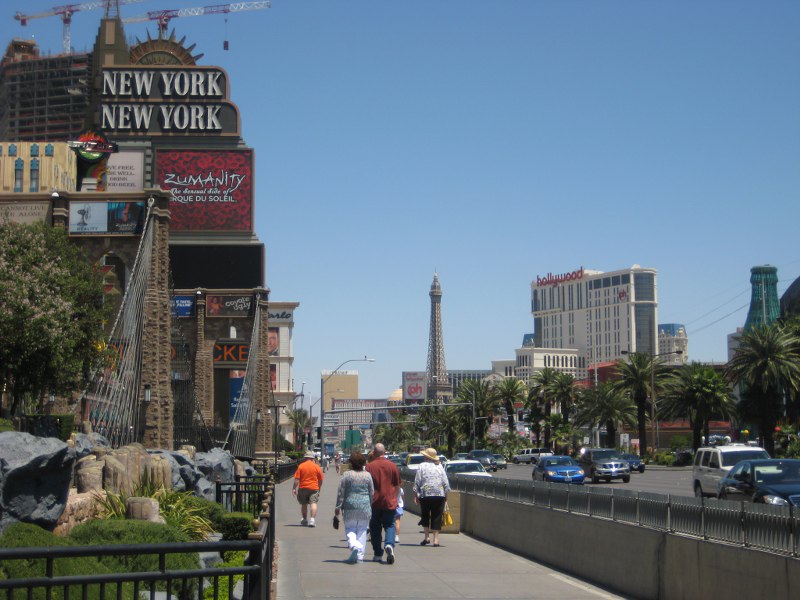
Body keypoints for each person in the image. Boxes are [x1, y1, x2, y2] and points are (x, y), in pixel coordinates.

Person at [334, 451, 375, 564]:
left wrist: (338, 507)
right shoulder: (367, 475)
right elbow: (372, 492)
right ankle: (360, 556)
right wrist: (371, 505)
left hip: (349, 506)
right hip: (365, 507)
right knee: (362, 530)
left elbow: (341, 493)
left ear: (351, 463)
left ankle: (354, 545)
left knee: (350, 529)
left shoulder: (347, 475)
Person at [365, 443, 401, 564]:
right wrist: (395, 499)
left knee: (375, 527)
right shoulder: (392, 466)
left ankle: (377, 553)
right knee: (390, 525)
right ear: (384, 452)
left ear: (374, 453)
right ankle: (389, 544)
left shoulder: (369, 467)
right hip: (389, 502)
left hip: (374, 502)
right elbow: (397, 485)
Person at [413, 447, 450, 547]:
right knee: (437, 516)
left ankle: (426, 537)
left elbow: (417, 481)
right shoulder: (439, 466)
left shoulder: (421, 466)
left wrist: (416, 494)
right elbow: (445, 481)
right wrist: (446, 495)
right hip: (439, 495)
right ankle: (436, 540)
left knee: (425, 515)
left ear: (426, 456)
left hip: (425, 495)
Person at [292, 450, 324, 527]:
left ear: (305, 458)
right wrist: (319, 487)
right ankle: (312, 520)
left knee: (304, 504)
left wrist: (294, 488)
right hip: (314, 488)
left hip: (303, 487)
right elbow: (320, 479)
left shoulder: (301, 466)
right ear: (312, 458)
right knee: (313, 503)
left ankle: (304, 519)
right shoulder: (316, 466)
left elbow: (297, 479)